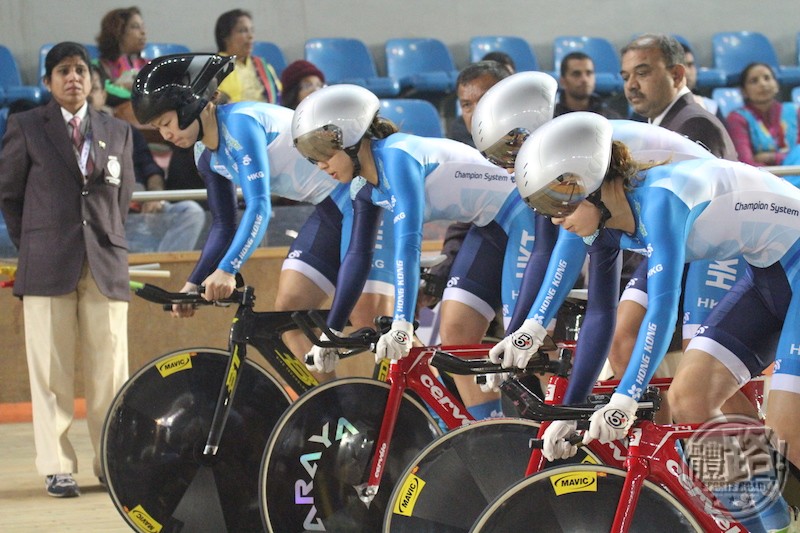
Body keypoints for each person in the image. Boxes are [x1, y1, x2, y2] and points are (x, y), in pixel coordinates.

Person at [508, 111, 797, 531]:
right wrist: (568, 410)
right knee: (689, 401)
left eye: (558, 202)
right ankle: (771, 526)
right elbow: (602, 316)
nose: (554, 219)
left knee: (789, 437)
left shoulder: (661, 201)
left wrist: (626, 399)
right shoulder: (605, 226)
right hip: (769, 275)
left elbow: (662, 309)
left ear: (592, 185)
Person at [292, 81, 556, 419]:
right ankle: (491, 433)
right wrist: (331, 335)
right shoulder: (363, 188)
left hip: (522, 213)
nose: (320, 165)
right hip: (488, 225)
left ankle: (567, 431)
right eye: (312, 158)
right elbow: (357, 258)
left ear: (352, 137)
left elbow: (408, 243)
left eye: (324, 153)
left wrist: (402, 321)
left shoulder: (397, 157)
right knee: (458, 332)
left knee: (526, 344)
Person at [131, 53, 394, 381]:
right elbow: (224, 224)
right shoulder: (204, 154)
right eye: (157, 128)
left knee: (370, 319)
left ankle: (432, 409)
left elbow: (259, 208)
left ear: (191, 105)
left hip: (365, 200)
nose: (166, 135)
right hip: (329, 207)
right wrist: (191, 284)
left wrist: (227, 269)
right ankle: (332, 410)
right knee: (290, 315)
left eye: (167, 123)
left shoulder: (240, 123)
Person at [0, 42, 134, 497]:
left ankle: (109, 461)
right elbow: (10, 197)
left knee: (110, 373)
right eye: (63, 70)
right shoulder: (26, 127)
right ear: (48, 81)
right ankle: (57, 464)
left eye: (80, 70)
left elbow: (122, 199)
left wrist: (102, 240)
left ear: (93, 79)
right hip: (46, 263)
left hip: (104, 262)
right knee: (50, 370)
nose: (73, 77)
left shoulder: (117, 131)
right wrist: (34, 244)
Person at [611, 33, 739, 381]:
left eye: (643, 72)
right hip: (673, 252)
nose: (631, 85)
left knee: (702, 382)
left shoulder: (694, 125)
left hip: (705, 257)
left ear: (678, 75)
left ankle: (676, 435)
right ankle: (665, 434)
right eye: (625, 77)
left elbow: (688, 214)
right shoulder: (659, 126)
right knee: (623, 343)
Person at [89, 64, 204, 252]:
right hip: (104, 219)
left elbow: (152, 171)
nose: (87, 95)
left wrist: (154, 197)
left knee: (191, 212)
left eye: (93, 89)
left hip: (142, 211)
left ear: (103, 95)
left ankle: (165, 269)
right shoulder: (68, 137)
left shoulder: (125, 131)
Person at [726, 62, 800, 171]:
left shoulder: (794, 111)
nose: (763, 84)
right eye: (754, 81)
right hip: (764, 180)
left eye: (767, 78)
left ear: (776, 85)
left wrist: (771, 157)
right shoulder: (737, 119)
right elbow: (746, 163)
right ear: (744, 91)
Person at [214, 8, 281, 104]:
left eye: (251, 30)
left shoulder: (262, 65)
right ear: (225, 36)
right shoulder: (215, 67)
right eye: (243, 31)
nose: (251, 36)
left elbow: (278, 94)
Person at [96, 6, 148, 120]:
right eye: (135, 27)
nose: (143, 32)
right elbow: (100, 92)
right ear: (117, 31)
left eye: (143, 26)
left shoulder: (149, 65)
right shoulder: (98, 67)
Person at [446, 60, 511, 147]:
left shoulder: (532, 138)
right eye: (467, 105)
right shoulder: (458, 141)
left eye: (483, 100)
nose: (476, 113)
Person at [555, 51, 622, 118]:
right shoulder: (551, 119)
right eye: (576, 74)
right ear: (562, 81)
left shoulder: (610, 118)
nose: (584, 79)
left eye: (589, 73)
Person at [680, 42, 724, 121]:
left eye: (690, 65)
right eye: (681, 66)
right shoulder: (655, 110)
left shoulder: (710, 107)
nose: (687, 72)